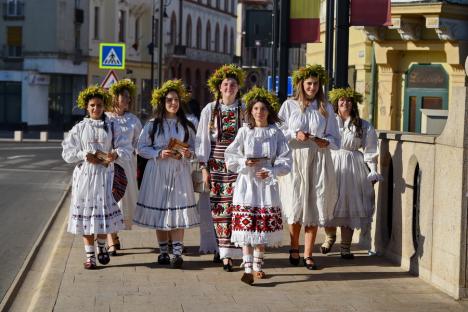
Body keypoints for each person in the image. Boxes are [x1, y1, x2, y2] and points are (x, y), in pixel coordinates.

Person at [225, 87, 291, 285]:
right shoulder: (245, 131)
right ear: (251, 111)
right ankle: (246, 269)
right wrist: (245, 162)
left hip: (266, 183)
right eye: (255, 109)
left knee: (261, 226)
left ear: (268, 111)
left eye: (262, 109)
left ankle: (258, 266)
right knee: (246, 226)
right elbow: (230, 156)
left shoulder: (275, 133)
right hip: (247, 182)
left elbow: (286, 159)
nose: (259, 112)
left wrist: (271, 170)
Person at [277, 64, 340, 270]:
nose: (312, 87)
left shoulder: (326, 108)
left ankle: (308, 254)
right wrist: (295, 134)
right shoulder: (289, 105)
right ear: (301, 85)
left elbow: (335, 137)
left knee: (314, 204)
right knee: (296, 203)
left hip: (318, 158)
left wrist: (325, 141)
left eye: (315, 84)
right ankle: (294, 247)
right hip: (296, 158)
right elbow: (278, 133)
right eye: (308, 84)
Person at [62, 85, 130, 269]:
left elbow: (126, 147)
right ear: (87, 106)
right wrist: (84, 155)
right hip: (85, 177)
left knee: (102, 215)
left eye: (99, 105)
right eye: (92, 105)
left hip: (105, 176)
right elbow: (67, 153)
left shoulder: (112, 126)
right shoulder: (79, 128)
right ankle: (90, 256)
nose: (95, 108)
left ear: (103, 106)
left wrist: (115, 154)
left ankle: (101, 246)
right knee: (87, 215)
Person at [133, 79, 199, 268]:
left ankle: (177, 252)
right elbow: (141, 148)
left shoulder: (188, 123)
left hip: (179, 172)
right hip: (158, 171)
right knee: (161, 211)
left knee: (178, 210)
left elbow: (195, 149)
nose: (173, 103)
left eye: (176, 99)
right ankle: (163, 251)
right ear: (163, 102)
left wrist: (188, 153)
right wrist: (158, 153)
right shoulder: (153, 124)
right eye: (169, 100)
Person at [320, 87, 382, 259]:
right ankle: (330, 237)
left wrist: (373, 170)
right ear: (336, 103)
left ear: (353, 104)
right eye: (341, 100)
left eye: (348, 100)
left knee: (349, 205)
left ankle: (345, 247)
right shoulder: (327, 122)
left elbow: (370, 149)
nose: (344, 103)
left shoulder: (363, 125)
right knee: (328, 202)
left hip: (353, 166)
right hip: (332, 163)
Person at [195, 64, 246, 271]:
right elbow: (202, 139)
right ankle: (224, 253)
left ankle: (239, 250)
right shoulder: (210, 109)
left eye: (233, 84)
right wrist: (204, 167)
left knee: (237, 207)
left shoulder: (243, 108)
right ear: (219, 87)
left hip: (238, 165)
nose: (229, 87)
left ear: (238, 87)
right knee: (219, 209)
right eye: (225, 84)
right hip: (216, 164)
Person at [106, 79, 142, 255]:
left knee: (122, 202)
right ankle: (111, 239)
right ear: (115, 98)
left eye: (129, 97)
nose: (128, 100)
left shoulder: (133, 120)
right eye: (125, 96)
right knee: (109, 200)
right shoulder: (105, 118)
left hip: (126, 165)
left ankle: (116, 234)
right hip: (106, 165)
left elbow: (139, 143)